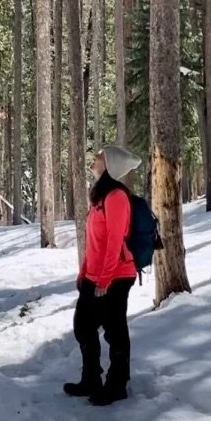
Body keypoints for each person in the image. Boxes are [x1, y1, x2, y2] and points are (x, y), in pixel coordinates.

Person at [65, 145, 142, 406]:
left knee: (114, 331)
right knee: (83, 326)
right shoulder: (99, 196)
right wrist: (84, 272)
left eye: (99, 157)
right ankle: (91, 379)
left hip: (116, 276)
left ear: (109, 164)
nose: (94, 160)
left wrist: (105, 279)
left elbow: (114, 241)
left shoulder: (117, 196)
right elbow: (94, 242)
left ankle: (117, 385)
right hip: (95, 275)